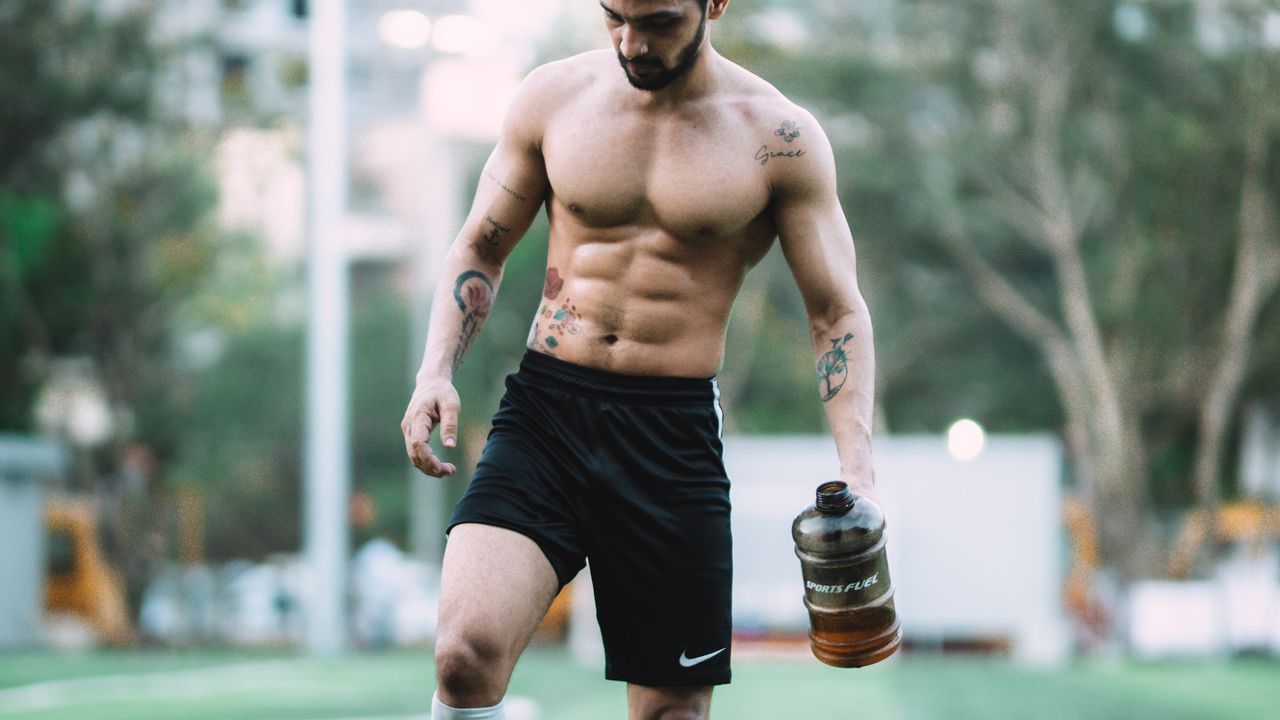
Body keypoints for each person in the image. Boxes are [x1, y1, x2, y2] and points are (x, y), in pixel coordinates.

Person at [401, 1, 877, 717]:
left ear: (713, 4)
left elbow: (835, 311)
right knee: (463, 655)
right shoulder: (554, 99)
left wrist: (858, 468)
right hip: (546, 413)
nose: (633, 42)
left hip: (670, 436)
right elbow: (479, 247)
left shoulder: (780, 139)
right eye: (615, 16)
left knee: (670, 713)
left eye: (657, 20)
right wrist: (434, 371)